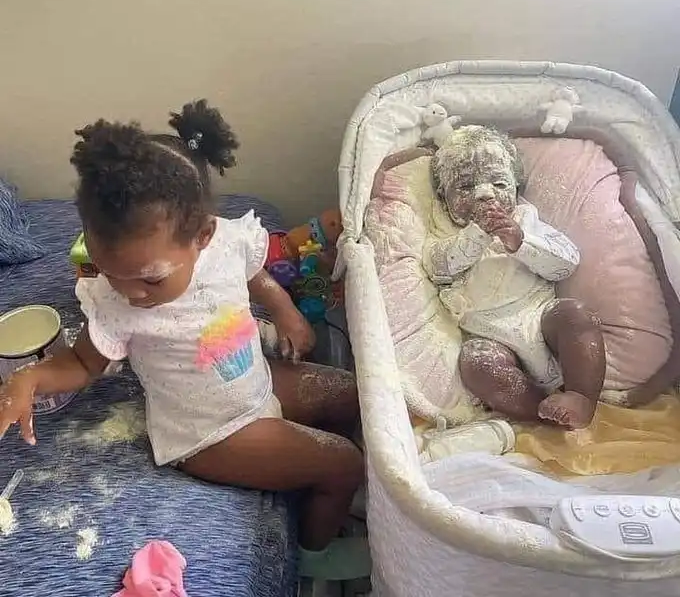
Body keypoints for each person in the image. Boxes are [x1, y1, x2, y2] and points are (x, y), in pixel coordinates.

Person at [0, 100, 369, 581]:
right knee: (343, 463)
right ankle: (314, 554)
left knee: (359, 396)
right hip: (209, 434)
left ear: (203, 236)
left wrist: (286, 311)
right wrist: (31, 378)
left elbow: (254, 272)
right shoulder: (116, 304)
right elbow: (83, 363)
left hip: (253, 382)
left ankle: (328, 491)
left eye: (149, 278)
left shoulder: (226, 241)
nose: (131, 293)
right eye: (111, 273)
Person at [427, 125, 606, 429]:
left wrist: (522, 243)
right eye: (466, 186)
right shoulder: (442, 230)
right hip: (489, 335)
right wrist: (476, 235)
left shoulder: (526, 220)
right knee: (476, 364)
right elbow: (438, 266)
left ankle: (581, 397)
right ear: (444, 197)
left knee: (576, 315)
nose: (485, 194)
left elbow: (566, 263)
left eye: (498, 183)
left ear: (516, 188)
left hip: (539, 317)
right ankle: (540, 410)